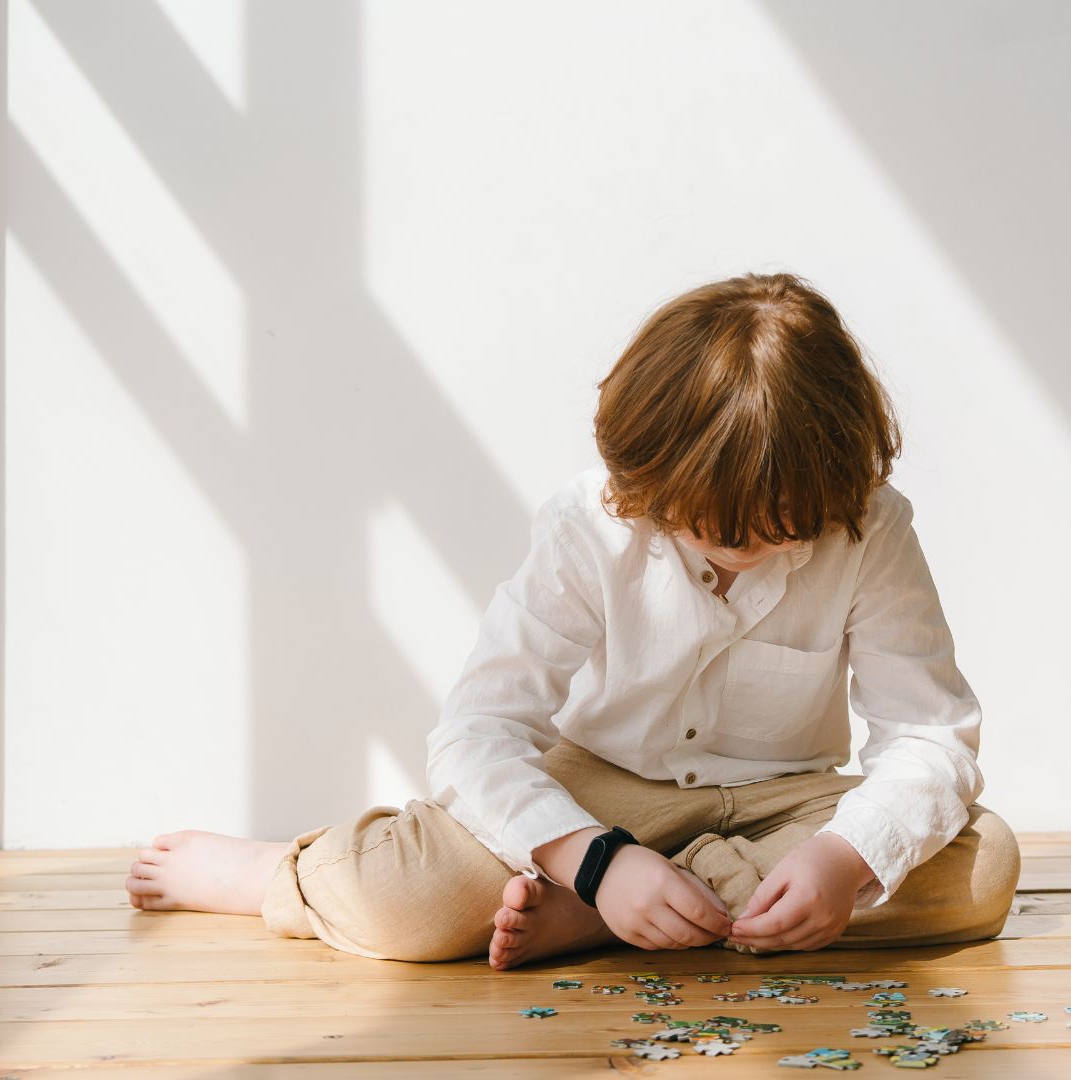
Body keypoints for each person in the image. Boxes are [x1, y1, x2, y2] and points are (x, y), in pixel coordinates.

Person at [123, 271, 1021, 969]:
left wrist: (839, 860)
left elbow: (932, 737)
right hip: (602, 787)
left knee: (981, 871)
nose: (745, 547)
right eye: (713, 527)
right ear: (650, 477)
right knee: (408, 900)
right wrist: (594, 858)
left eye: (781, 530)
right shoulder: (588, 526)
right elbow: (477, 735)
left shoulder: (869, 521)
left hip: (784, 799)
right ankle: (269, 874)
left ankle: (616, 917)